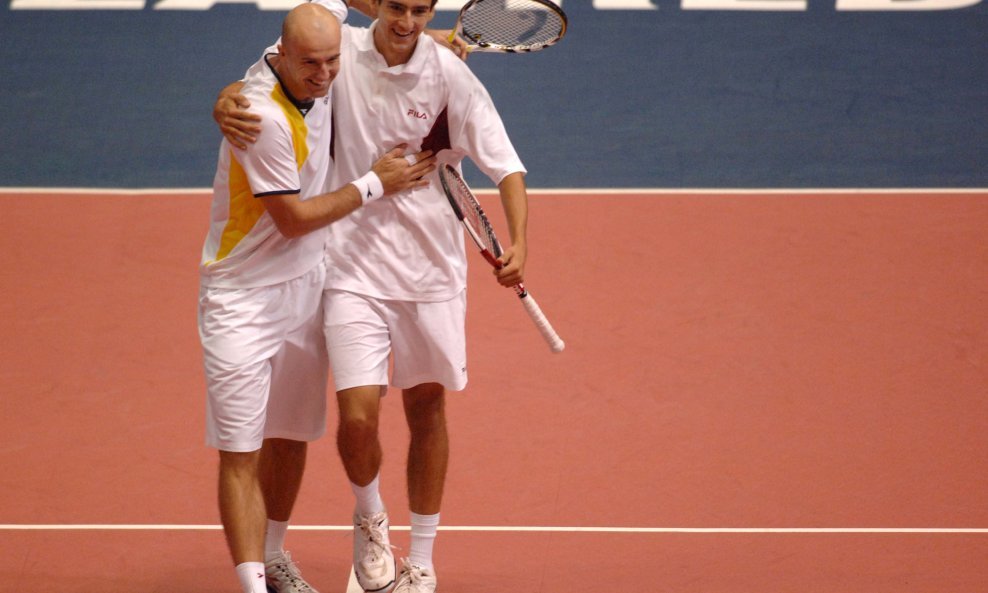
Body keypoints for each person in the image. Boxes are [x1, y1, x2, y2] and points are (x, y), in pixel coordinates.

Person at [216, 1, 529, 591]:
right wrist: (229, 93)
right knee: (357, 419)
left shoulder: (450, 74)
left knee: (426, 410)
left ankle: (425, 560)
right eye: (396, 6)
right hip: (350, 265)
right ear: (375, 5)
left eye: (418, 9)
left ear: (431, 9)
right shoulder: (342, 55)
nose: (407, 19)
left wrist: (520, 243)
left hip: (432, 272)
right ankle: (370, 514)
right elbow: (277, 71)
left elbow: (506, 166)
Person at [199, 4, 434, 593]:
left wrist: (409, 25)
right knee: (241, 450)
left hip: (308, 288)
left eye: (334, 60)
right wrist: (377, 182)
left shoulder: (316, 55)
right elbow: (295, 219)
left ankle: (273, 557)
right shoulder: (261, 117)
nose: (327, 74)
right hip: (242, 299)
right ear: (279, 56)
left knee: (290, 433)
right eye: (312, 64)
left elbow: (347, 8)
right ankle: (253, 586)